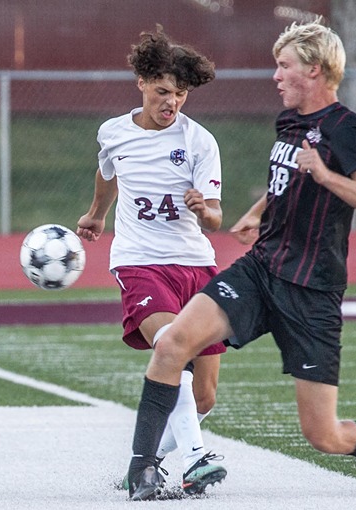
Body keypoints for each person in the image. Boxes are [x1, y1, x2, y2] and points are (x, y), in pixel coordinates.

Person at [124, 19, 356, 501]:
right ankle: (142, 470)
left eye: (284, 65)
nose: (276, 76)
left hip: (312, 291)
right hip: (262, 268)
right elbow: (289, 176)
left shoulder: (346, 129)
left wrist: (327, 176)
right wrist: (258, 210)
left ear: (315, 69)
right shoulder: (289, 121)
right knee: (171, 346)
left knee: (323, 435)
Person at [76, 25, 227, 497]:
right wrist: (96, 214)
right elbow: (106, 173)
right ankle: (197, 457)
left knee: (204, 395)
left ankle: (147, 463)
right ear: (141, 82)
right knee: (169, 345)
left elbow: (218, 217)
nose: (172, 103)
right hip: (139, 261)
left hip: (195, 265)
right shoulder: (113, 133)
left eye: (180, 94)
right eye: (163, 91)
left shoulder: (200, 142)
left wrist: (207, 210)